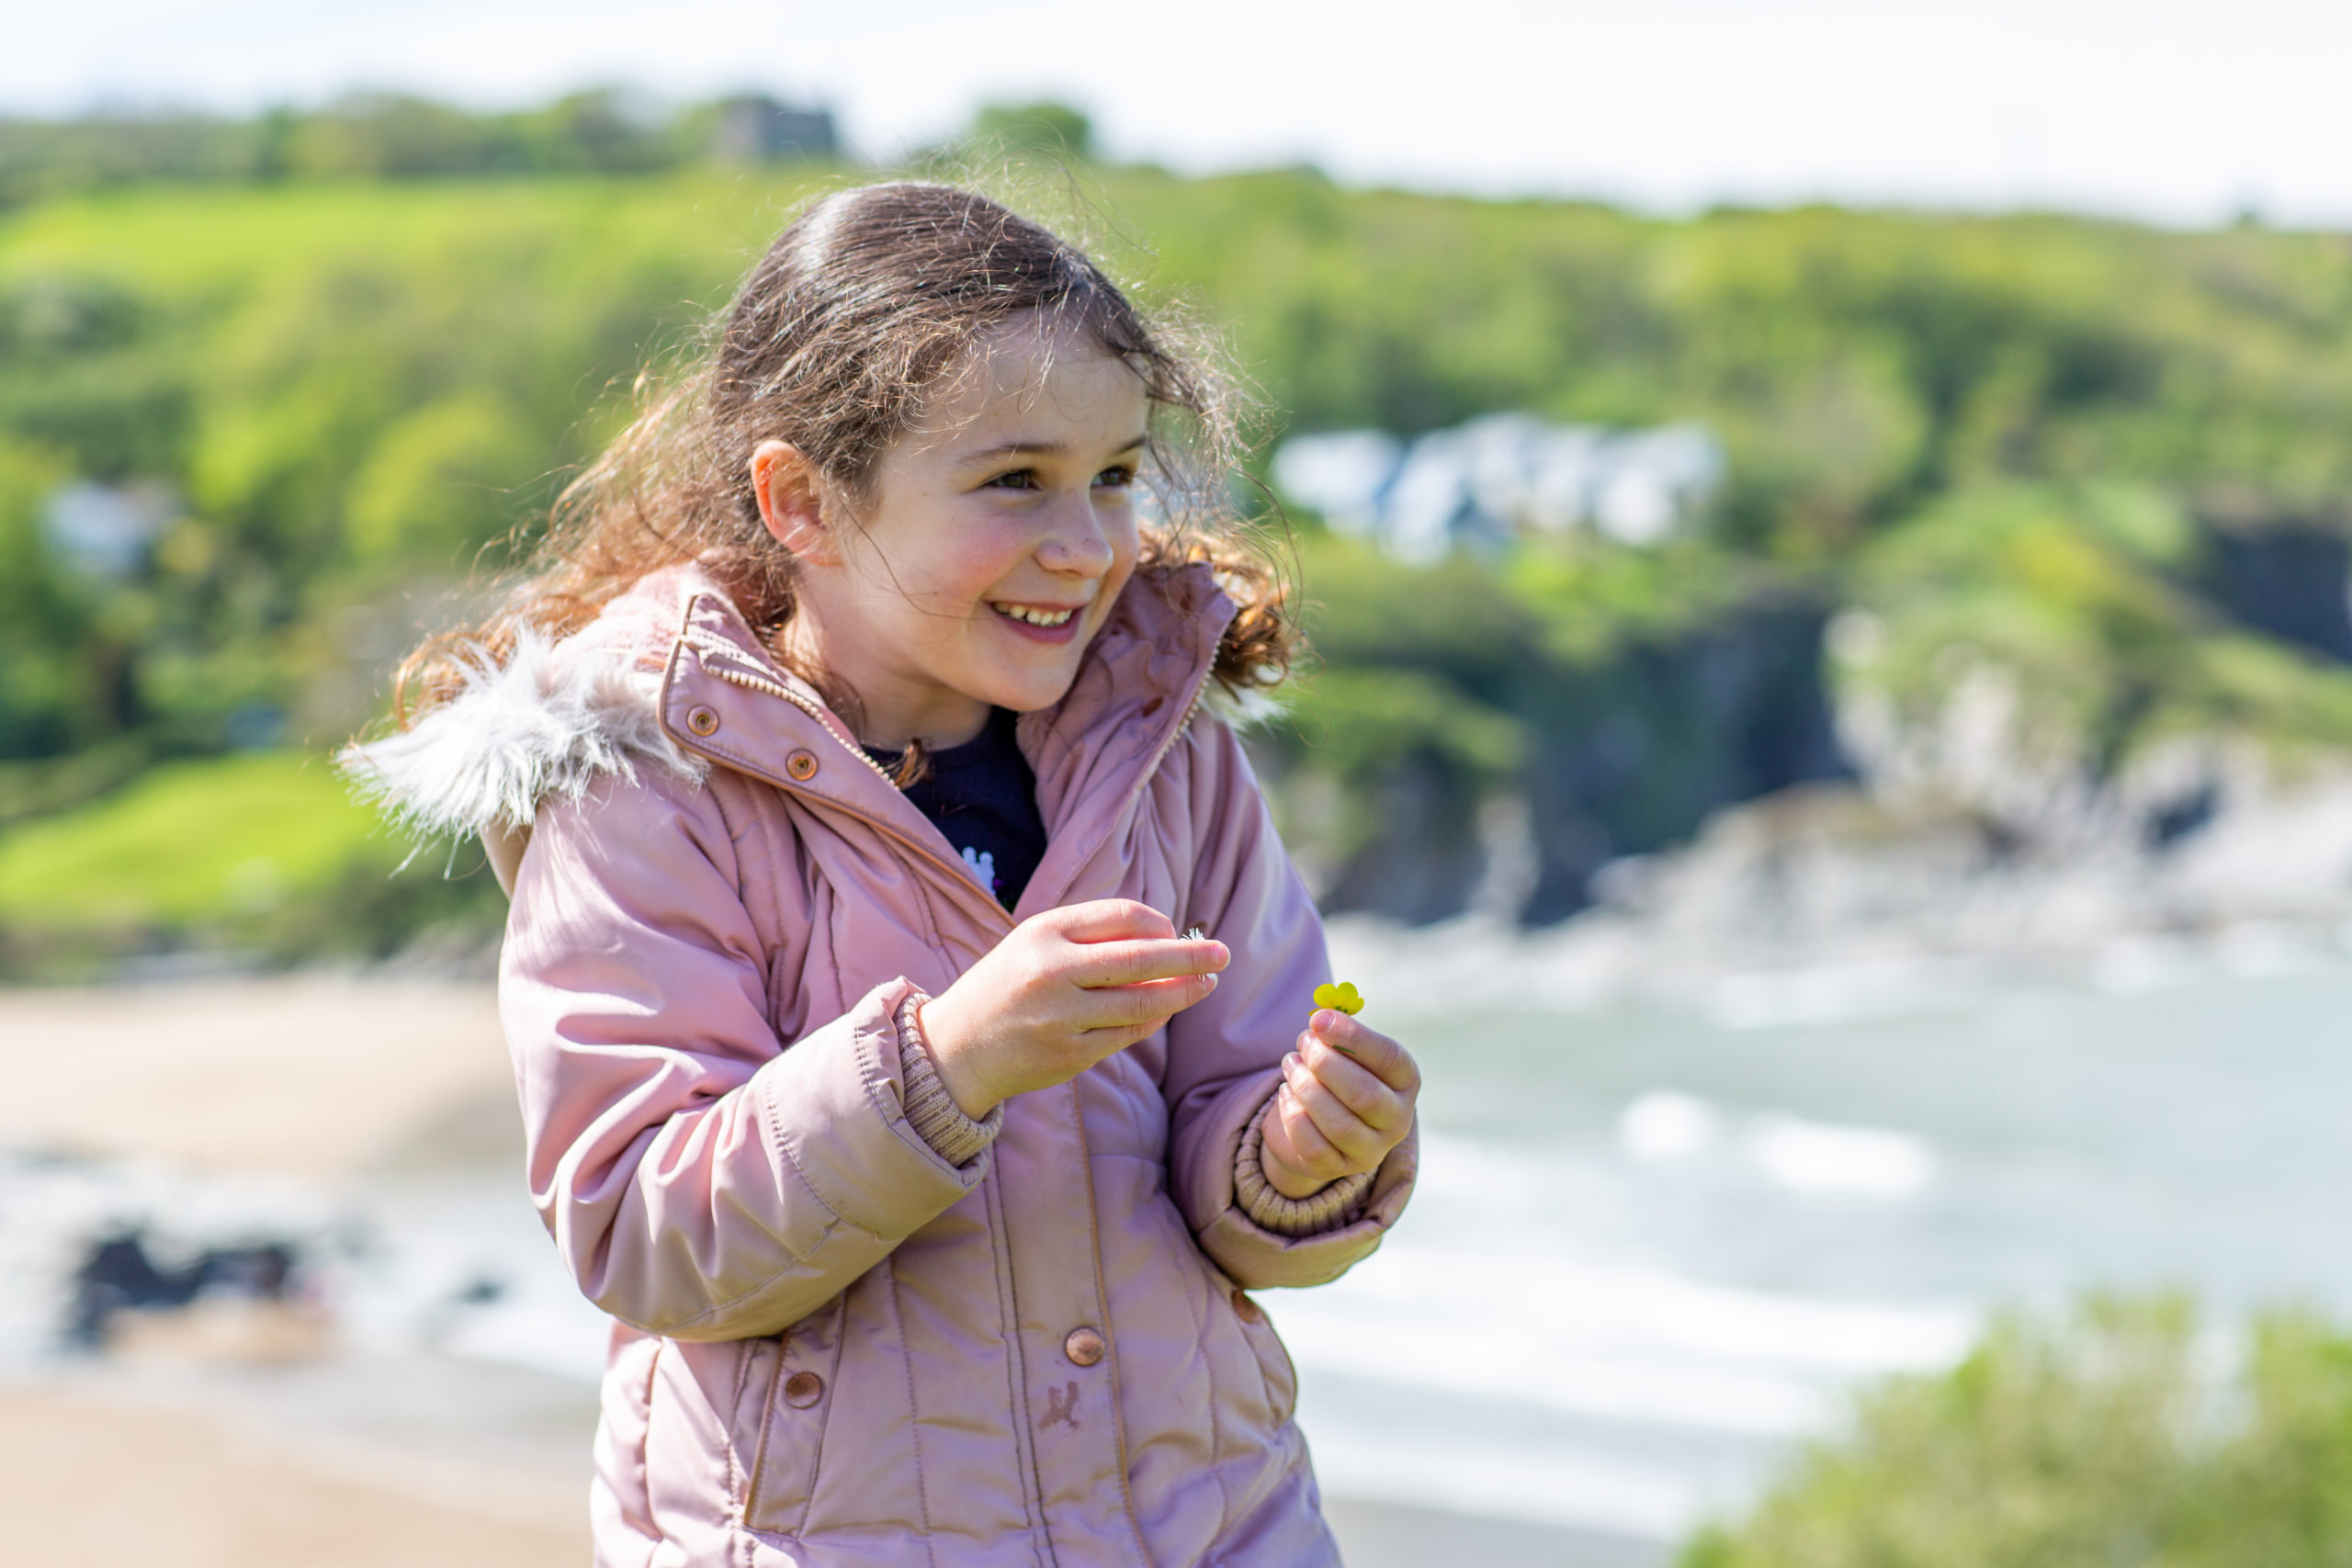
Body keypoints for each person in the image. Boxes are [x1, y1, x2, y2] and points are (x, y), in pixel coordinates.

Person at [344, 181, 1420, 1568]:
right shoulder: (647, 784)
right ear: (802, 499)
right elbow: (644, 1233)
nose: (1089, 544)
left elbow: (1237, 1171)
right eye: (1014, 480)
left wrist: (1301, 1159)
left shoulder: (1169, 755)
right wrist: (952, 1061)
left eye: (1114, 474)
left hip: (1214, 1531)